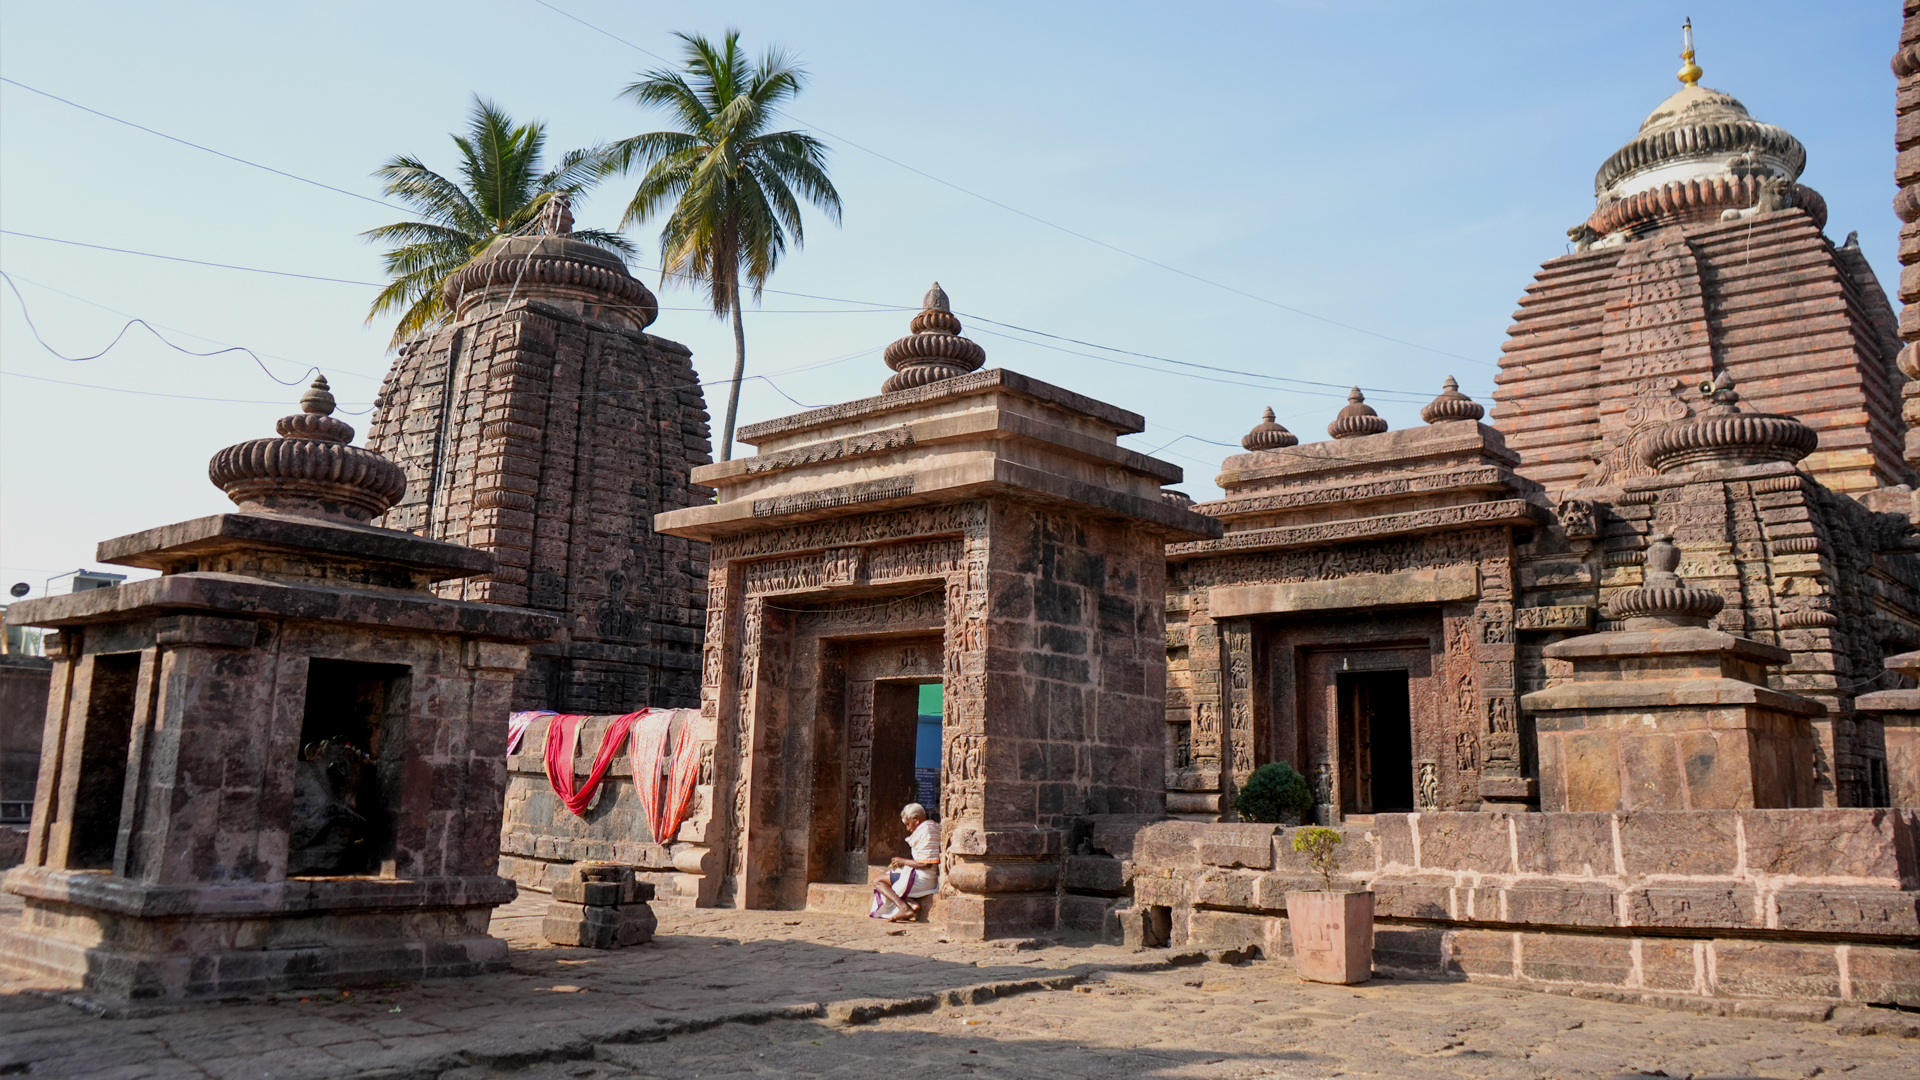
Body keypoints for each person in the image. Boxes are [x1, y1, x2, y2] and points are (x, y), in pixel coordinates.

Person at [870, 803, 940, 922]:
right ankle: (911, 904)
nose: (908, 829)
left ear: (916, 819)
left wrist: (904, 861)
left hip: (924, 879)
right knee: (892, 874)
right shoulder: (931, 827)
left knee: (878, 881)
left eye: (908, 824)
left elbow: (926, 864)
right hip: (925, 877)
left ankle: (904, 907)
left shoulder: (927, 831)